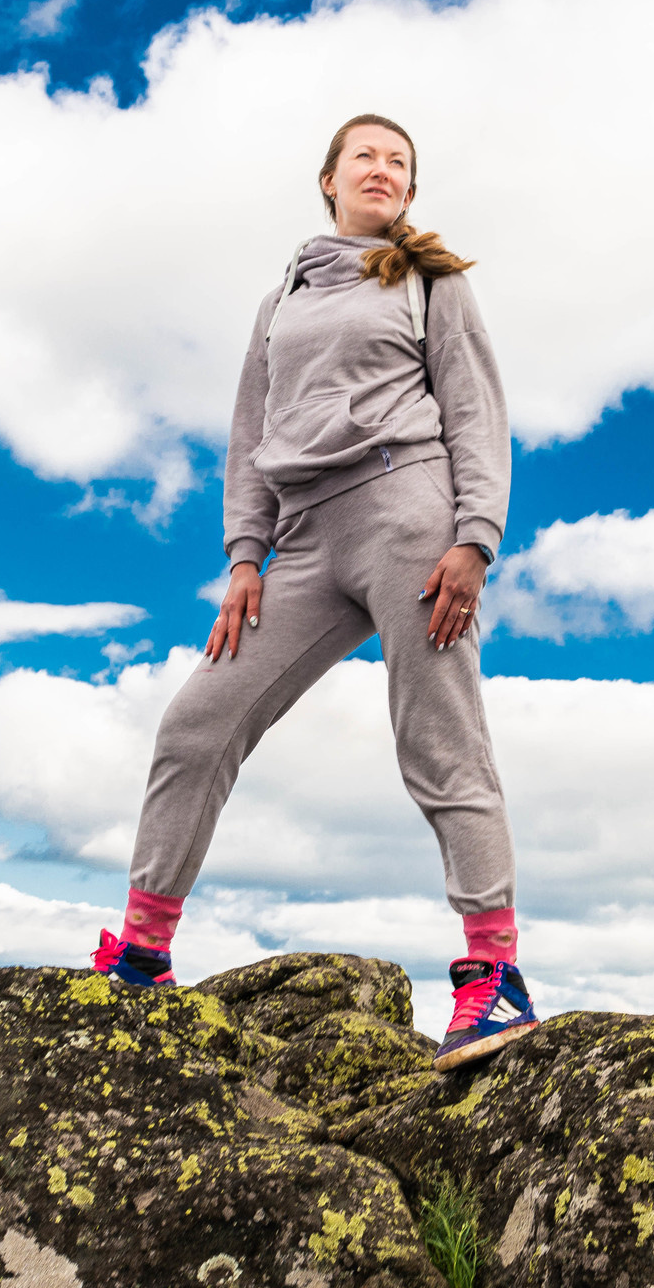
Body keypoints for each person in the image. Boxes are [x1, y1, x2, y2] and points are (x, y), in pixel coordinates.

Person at [91, 113, 536, 1071]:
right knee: (197, 724)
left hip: (408, 517)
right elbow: (251, 431)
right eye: (366, 156)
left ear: (408, 195)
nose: (383, 169)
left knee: (438, 736)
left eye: (400, 163)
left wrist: (475, 538)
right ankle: (142, 953)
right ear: (329, 180)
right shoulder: (279, 302)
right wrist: (244, 554)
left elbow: (476, 410)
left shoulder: (432, 281)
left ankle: (495, 980)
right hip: (298, 537)